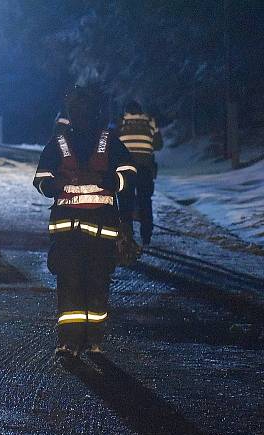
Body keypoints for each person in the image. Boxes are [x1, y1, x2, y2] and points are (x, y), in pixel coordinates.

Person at [32, 85, 137, 357]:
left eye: (85, 111)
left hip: (99, 231)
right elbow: (40, 180)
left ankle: (92, 339)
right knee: (71, 283)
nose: (81, 116)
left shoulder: (110, 142)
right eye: (77, 111)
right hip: (69, 231)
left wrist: (113, 182)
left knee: (95, 284)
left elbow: (129, 178)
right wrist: (52, 186)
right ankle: (71, 341)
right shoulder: (58, 145)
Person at [118, 100, 163, 246]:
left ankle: (127, 234)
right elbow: (158, 145)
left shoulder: (120, 121)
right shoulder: (150, 121)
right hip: (145, 167)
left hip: (126, 168)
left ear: (126, 110)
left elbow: (112, 143)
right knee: (145, 201)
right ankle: (146, 235)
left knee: (125, 201)